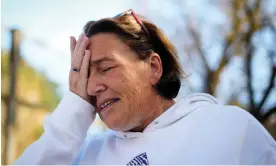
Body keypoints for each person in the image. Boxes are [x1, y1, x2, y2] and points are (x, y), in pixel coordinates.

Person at [14, 9, 276, 165]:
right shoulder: (86, 155)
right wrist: (74, 109)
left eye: (105, 68)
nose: (91, 87)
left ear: (153, 67)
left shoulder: (230, 129)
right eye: (84, 75)